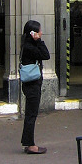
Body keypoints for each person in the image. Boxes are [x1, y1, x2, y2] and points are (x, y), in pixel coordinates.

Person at [19, 19, 50, 154]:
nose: (41, 33)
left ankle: (27, 142)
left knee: (30, 114)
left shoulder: (26, 45)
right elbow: (46, 55)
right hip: (32, 84)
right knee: (31, 115)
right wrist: (39, 41)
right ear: (32, 33)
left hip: (30, 84)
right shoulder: (30, 47)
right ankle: (30, 145)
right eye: (39, 31)